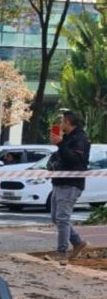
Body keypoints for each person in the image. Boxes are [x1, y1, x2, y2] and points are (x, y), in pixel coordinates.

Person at [48, 110, 90, 265]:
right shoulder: (68, 138)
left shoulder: (80, 138)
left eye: (62, 121)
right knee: (56, 218)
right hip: (59, 181)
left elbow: (74, 160)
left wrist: (60, 143)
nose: (60, 124)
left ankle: (61, 251)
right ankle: (78, 242)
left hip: (71, 183)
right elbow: (62, 156)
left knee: (62, 218)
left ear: (68, 122)